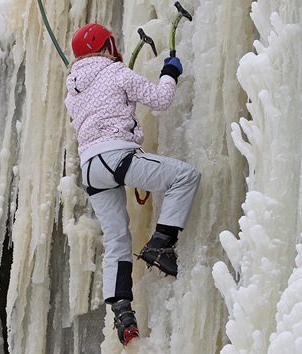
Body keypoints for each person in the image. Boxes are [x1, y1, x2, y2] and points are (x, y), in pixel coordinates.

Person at [64, 23, 201, 345]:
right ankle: (159, 243)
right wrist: (170, 71)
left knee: (116, 240)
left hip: (91, 168)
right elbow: (161, 99)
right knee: (186, 176)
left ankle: (122, 312)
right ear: (107, 45)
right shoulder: (117, 72)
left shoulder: (74, 91)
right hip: (117, 156)